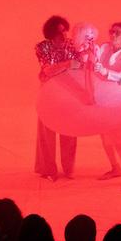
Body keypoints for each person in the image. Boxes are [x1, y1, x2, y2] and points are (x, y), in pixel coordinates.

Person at [92, 21, 121, 191]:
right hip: (102, 101)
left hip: (120, 103)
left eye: (117, 33)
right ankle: (115, 168)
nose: (112, 35)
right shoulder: (104, 48)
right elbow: (92, 59)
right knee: (104, 137)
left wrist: (105, 72)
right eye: (111, 31)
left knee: (118, 141)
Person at [34, 15, 79, 180]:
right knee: (47, 133)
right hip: (48, 94)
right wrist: (67, 65)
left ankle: (69, 169)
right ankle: (48, 170)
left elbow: (79, 66)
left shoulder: (71, 45)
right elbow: (47, 71)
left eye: (65, 31)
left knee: (69, 130)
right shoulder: (42, 47)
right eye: (60, 32)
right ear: (51, 33)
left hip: (68, 93)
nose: (64, 35)